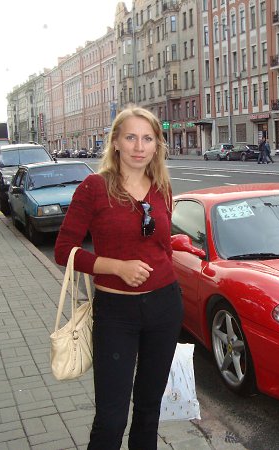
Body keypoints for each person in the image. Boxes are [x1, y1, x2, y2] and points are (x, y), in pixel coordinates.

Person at [54, 106, 183, 450]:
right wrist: (116, 267)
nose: (139, 147)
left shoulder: (162, 188)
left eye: (147, 139)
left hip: (165, 307)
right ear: (115, 142)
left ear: (157, 145)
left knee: (149, 410)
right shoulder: (94, 188)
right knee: (111, 419)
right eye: (131, 137)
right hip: (116, 313)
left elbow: (163, 246)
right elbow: (63, 250)